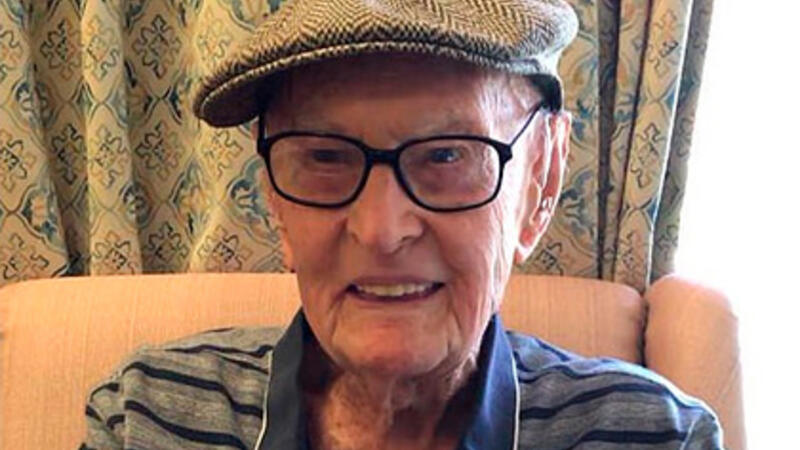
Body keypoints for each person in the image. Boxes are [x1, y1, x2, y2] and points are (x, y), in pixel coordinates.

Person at [81, 0, 723, 449]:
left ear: (541, 181)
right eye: (325, 158)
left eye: (446, 156)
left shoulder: (653, 436)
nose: (381, 231)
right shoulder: (148, 416)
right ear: (275, 203)